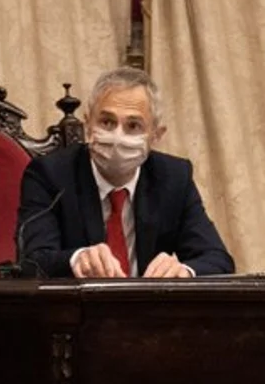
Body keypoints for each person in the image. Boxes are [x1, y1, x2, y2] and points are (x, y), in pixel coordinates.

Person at [15, 67, 234, 278]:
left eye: (133, 126)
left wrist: (183, 271)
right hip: (77, 311)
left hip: (148, 311)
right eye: (107, 122)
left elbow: (217, 259)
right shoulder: (49, 175)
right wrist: (77, 259)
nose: (117, 136)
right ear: (88, 123)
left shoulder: (173, 177)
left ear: (156, 135)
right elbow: (32, 262)